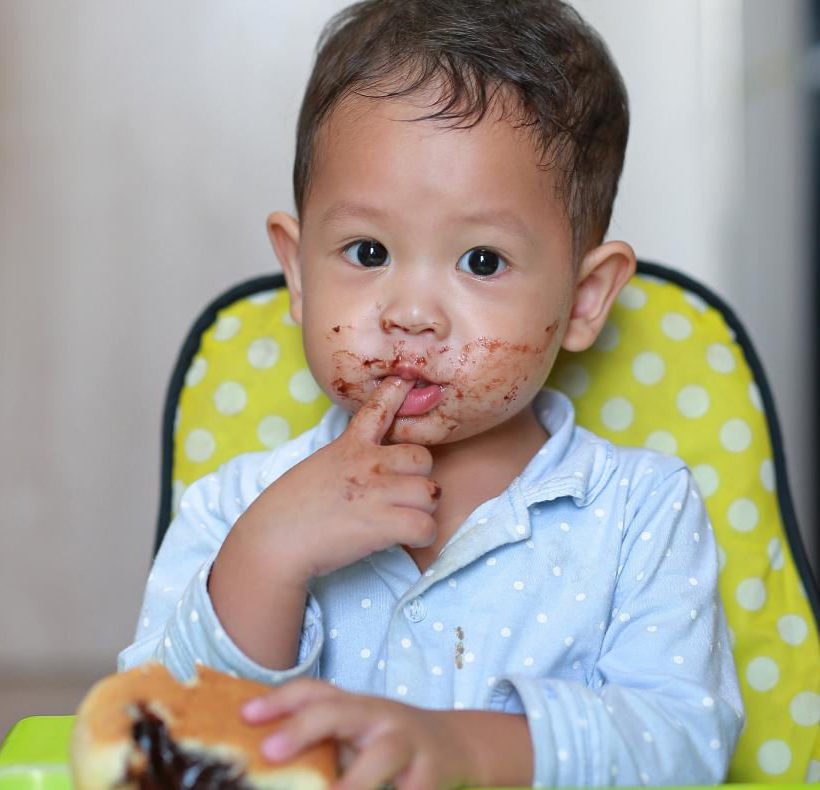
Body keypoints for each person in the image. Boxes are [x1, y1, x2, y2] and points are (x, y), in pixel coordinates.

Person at [119, 1, 744, 786]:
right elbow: (151, 746)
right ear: (299, 274)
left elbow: (683, 744)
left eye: (481, 261)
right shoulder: (235, 509)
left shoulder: (639, 517)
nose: (411, 313)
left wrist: (468, 751)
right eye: (368, 250)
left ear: (584, 300)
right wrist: (266, 559)